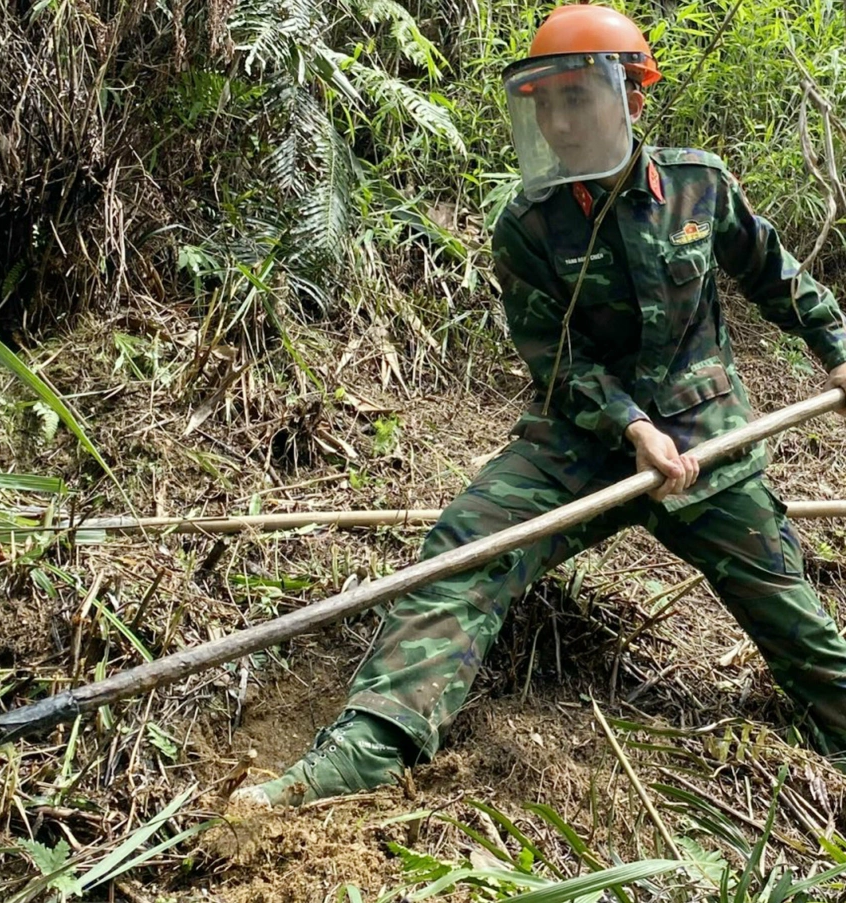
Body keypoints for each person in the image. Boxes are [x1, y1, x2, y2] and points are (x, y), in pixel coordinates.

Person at [233, 3, 846, 808]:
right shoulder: (527, 225)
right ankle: (369, 745)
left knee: (810, 647)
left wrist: (838, 352)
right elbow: (559, 359)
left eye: (578, 98)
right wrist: (630, 426)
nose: (559, 121)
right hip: (580, 443)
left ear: (631, 97)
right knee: (464, 550)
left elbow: (779, 279)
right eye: (546, 102)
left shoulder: (700, 185)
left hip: (709, 443)